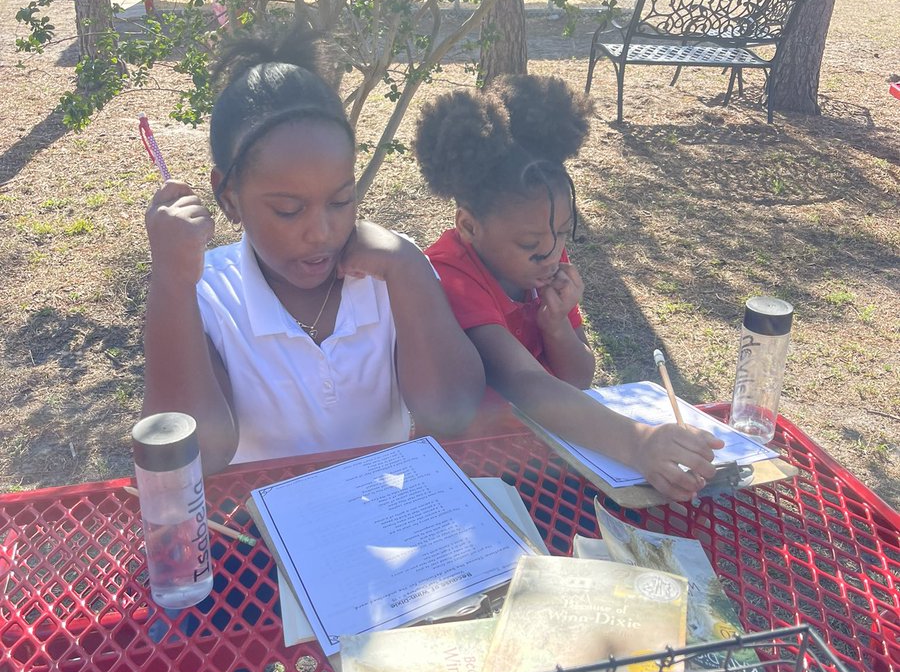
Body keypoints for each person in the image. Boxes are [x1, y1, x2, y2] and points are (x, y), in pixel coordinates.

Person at [142, 26, 484, 472]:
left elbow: (451, 412)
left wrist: (408, 268)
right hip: (260, 535)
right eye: (288, 210)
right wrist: (171, 286)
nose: (322, 232)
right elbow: (196, 457)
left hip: (394, 522)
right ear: (228, 198)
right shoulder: (207, 298)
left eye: (341, 201)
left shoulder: (391, 277)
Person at [415, 74, 723, 501]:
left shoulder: (542, 264)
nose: (554, 253)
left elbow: (578, 377)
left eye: (562, 234)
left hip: (538, 452)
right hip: (467, 471)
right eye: (532, 245)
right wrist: (637, 442)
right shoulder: (448, 276)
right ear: (469, 227)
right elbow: (523, 383)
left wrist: (557, 325)